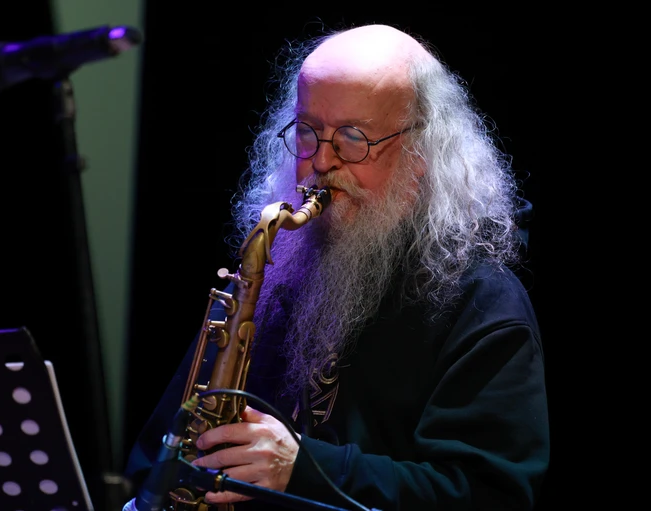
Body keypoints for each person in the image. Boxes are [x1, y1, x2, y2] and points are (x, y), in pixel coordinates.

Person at [123, 22, 549, 511]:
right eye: (308, 131)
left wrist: (304, 468)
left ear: (422, 155)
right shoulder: (274, 267)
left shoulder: (482, 303)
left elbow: (489, 494)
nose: (322, 161)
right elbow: (158, 454)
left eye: (353, 138)